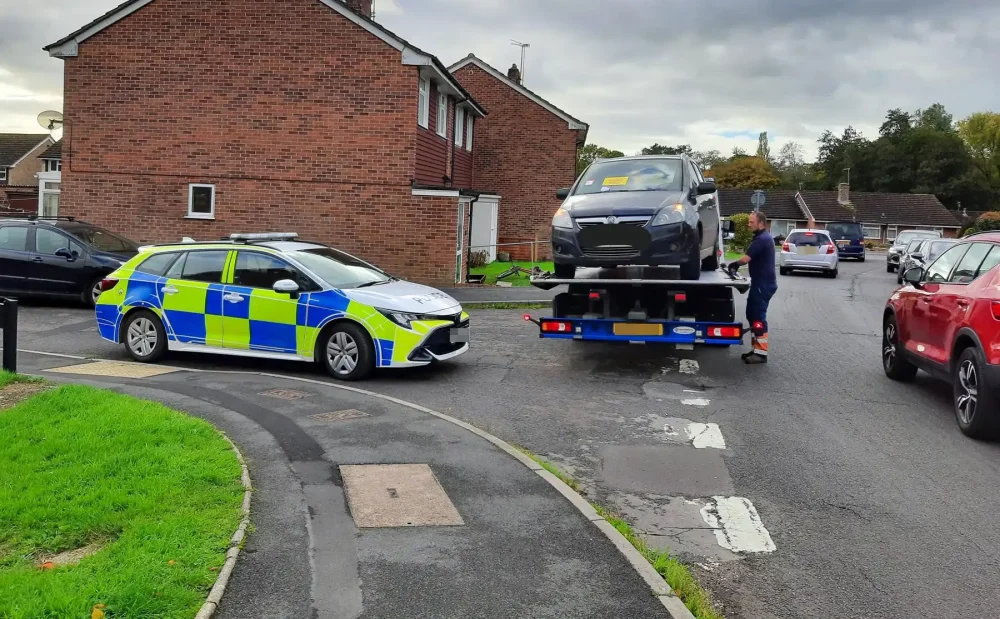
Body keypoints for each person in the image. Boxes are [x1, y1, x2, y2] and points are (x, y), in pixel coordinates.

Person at [727, 212, 777, 364]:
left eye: (751, 222)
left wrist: (735, 264)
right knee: (752, 314)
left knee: (757, 317)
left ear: (760, 223)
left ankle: (761, 353)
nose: (749, 225)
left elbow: (746, 258)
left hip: (763, 284)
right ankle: (756, 349)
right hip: (761, 283)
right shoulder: (763, 237)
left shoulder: (762, 239)